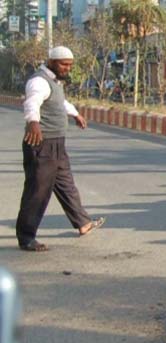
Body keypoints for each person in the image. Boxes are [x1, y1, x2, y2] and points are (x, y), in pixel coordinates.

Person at [17, 46, 105, 252]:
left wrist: (75, 114)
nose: (67, 69)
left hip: (57, 144)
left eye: (69, 65)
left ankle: (83, 223)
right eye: (63, 64)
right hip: (42, 144)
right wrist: (33, 122)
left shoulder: (54, 83)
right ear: (51, 62)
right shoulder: (39, 81)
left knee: (66, 184)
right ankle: (26, 237)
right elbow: (32, 103)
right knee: (37, 191)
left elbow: (60, 102)